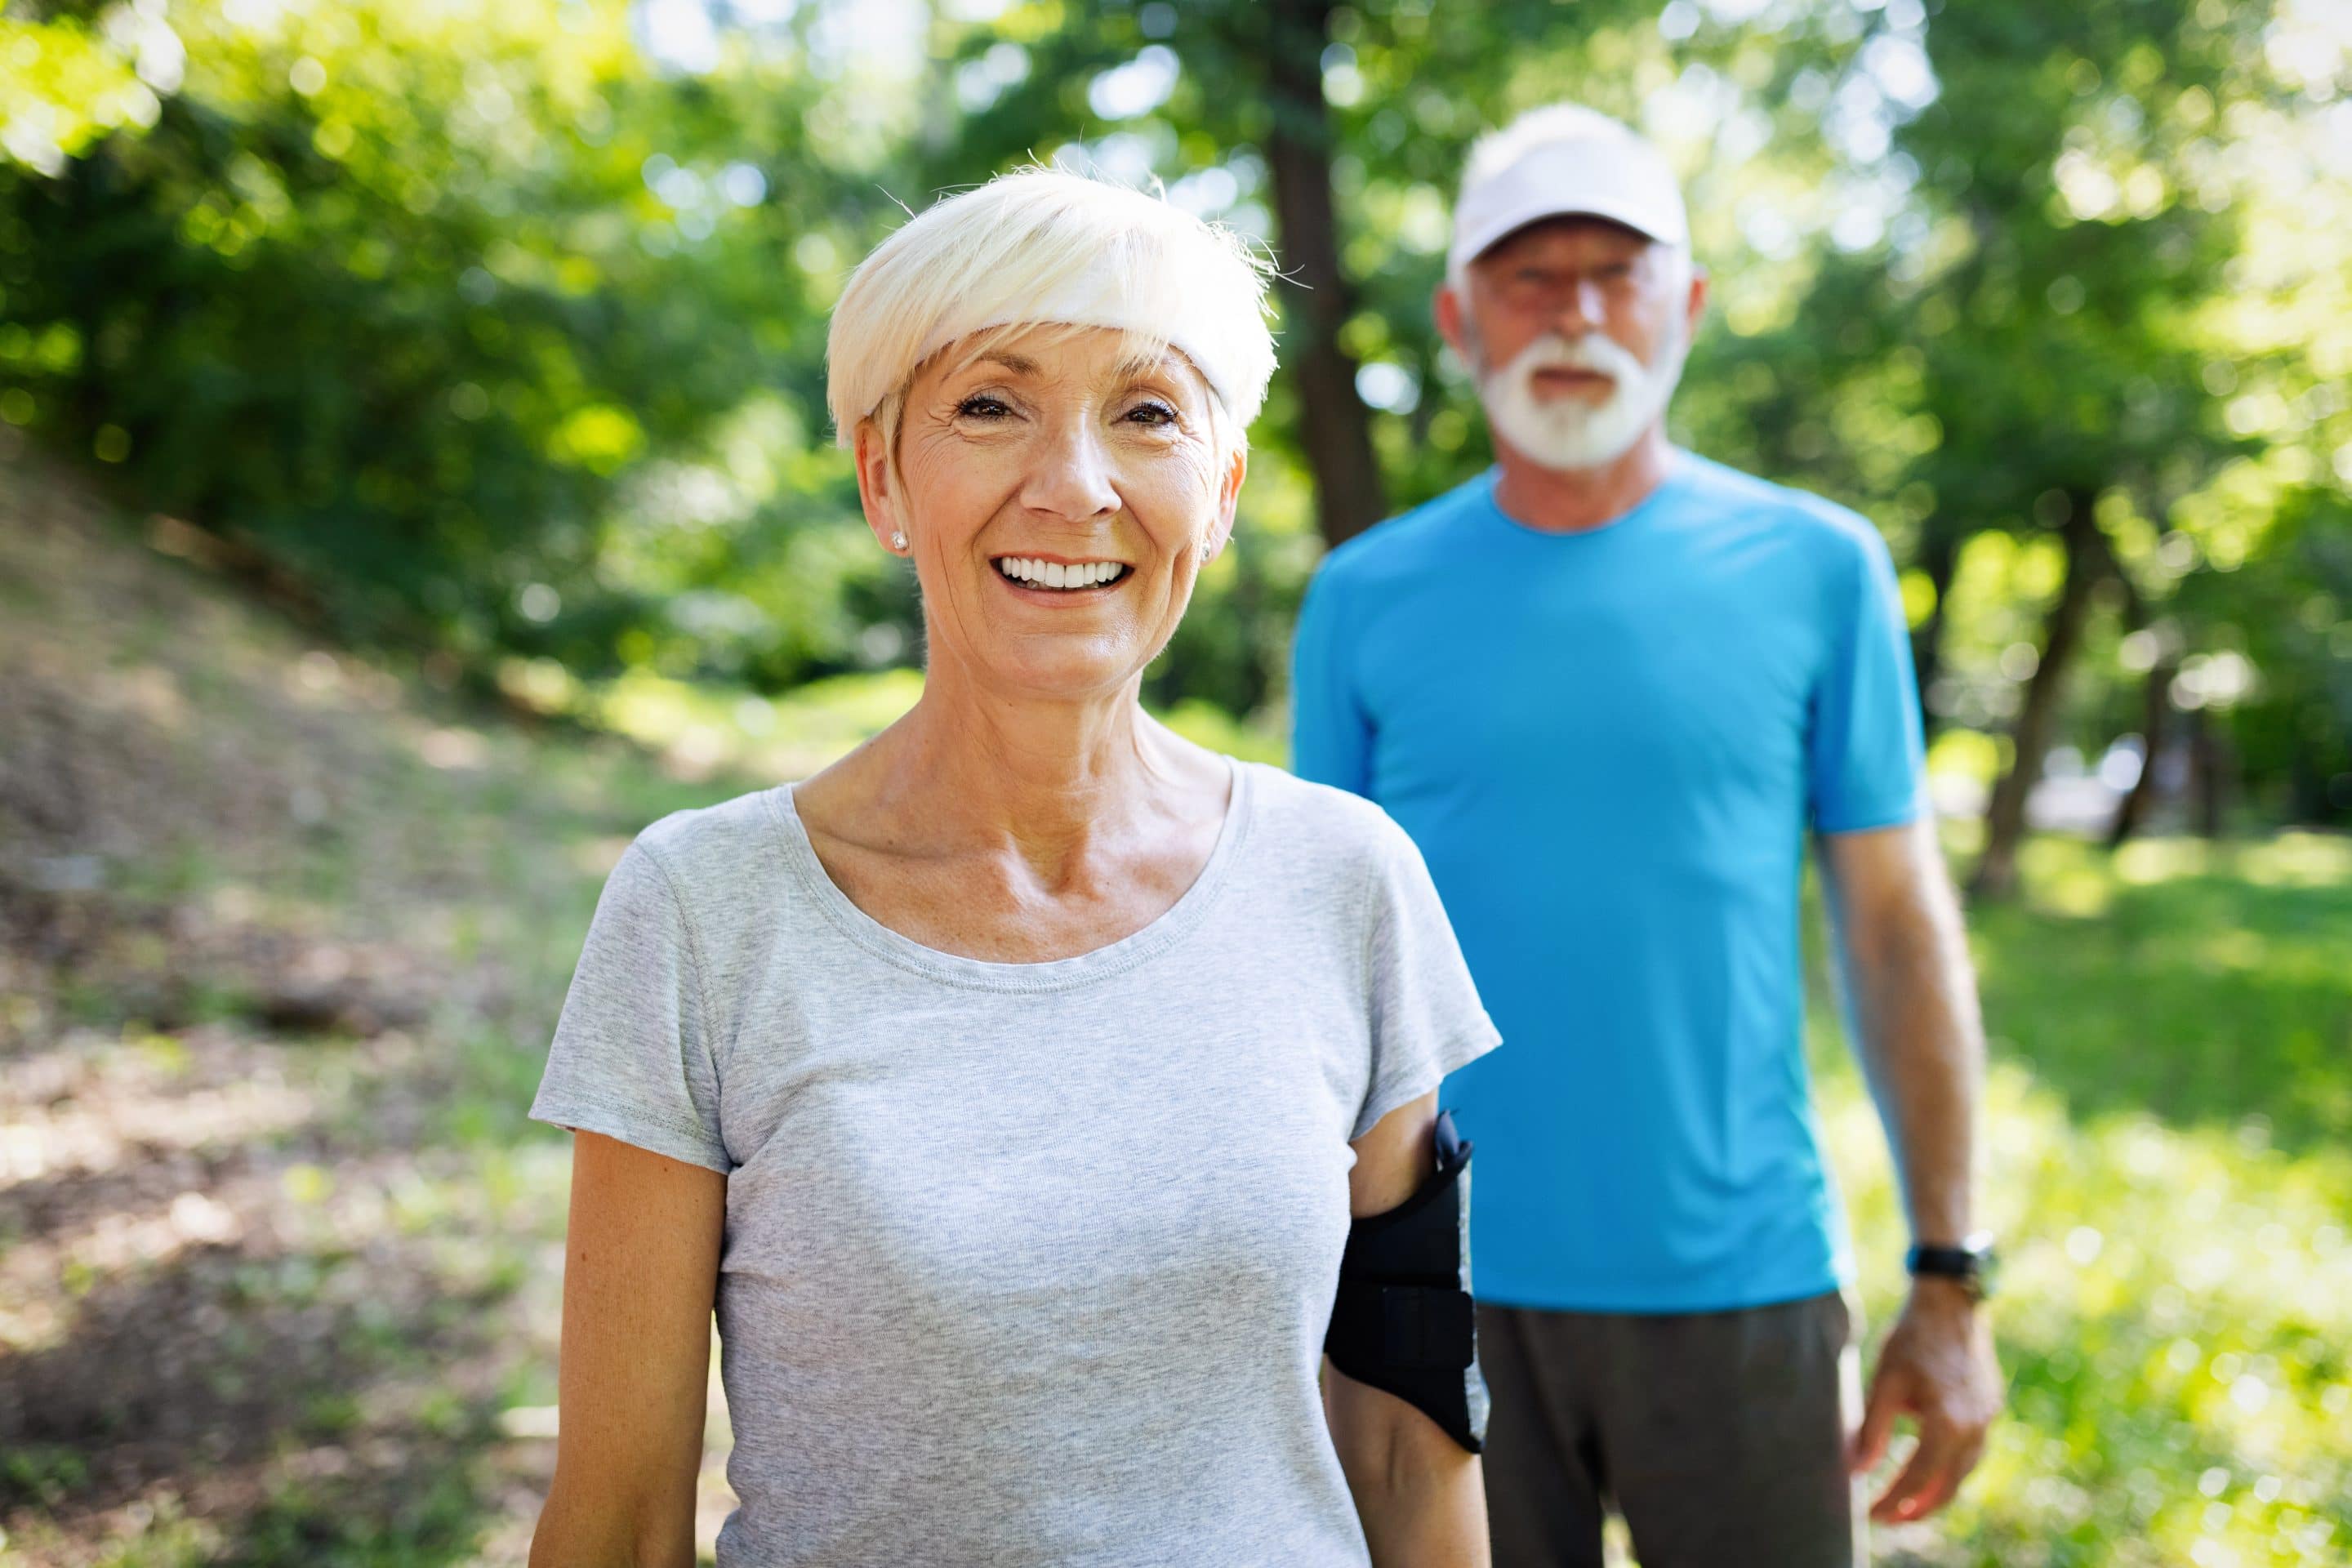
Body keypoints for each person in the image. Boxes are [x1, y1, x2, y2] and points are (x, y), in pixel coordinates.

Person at [524, 169, 1504, 1568]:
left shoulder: (1349, 883)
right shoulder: (704, 910)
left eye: (1147, 413)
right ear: (882, 475)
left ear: (1218, 494)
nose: (1076, 486)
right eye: (991, 405)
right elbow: (619, 1525)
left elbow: (1411, 1443)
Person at [1290, 105, 2003, 1568]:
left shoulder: (1820, 568)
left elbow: (1893, 925)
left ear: (1685, 307)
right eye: (1529, 277)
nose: (1575, 314)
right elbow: (1322, 974)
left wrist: (1950, 1274)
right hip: (1443, 1286)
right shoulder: (1362, 598)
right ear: (1457, 317)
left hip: (1741, 1287)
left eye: (1616, 274)